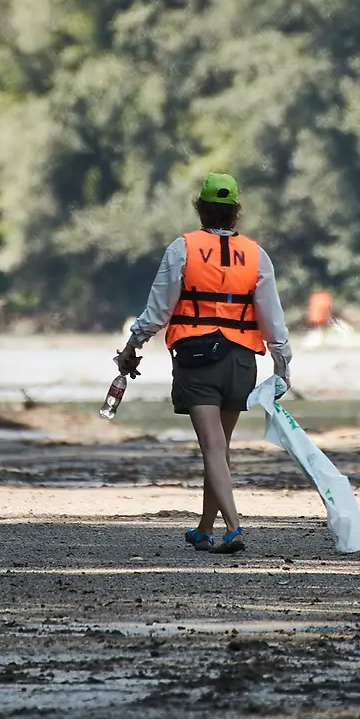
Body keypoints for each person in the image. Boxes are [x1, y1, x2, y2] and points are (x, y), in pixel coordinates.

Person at [116, 173, 291, 556]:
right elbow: (273, 318)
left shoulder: (183, 248)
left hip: (198, 358)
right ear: (236, 212)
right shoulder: (256, 254)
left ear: (200, 209)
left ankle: (233, 528)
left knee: (212, 448)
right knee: (220, 448)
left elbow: (158, 310)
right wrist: (283, 366)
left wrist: (132, 346)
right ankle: (203, 529)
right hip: (242, 361)